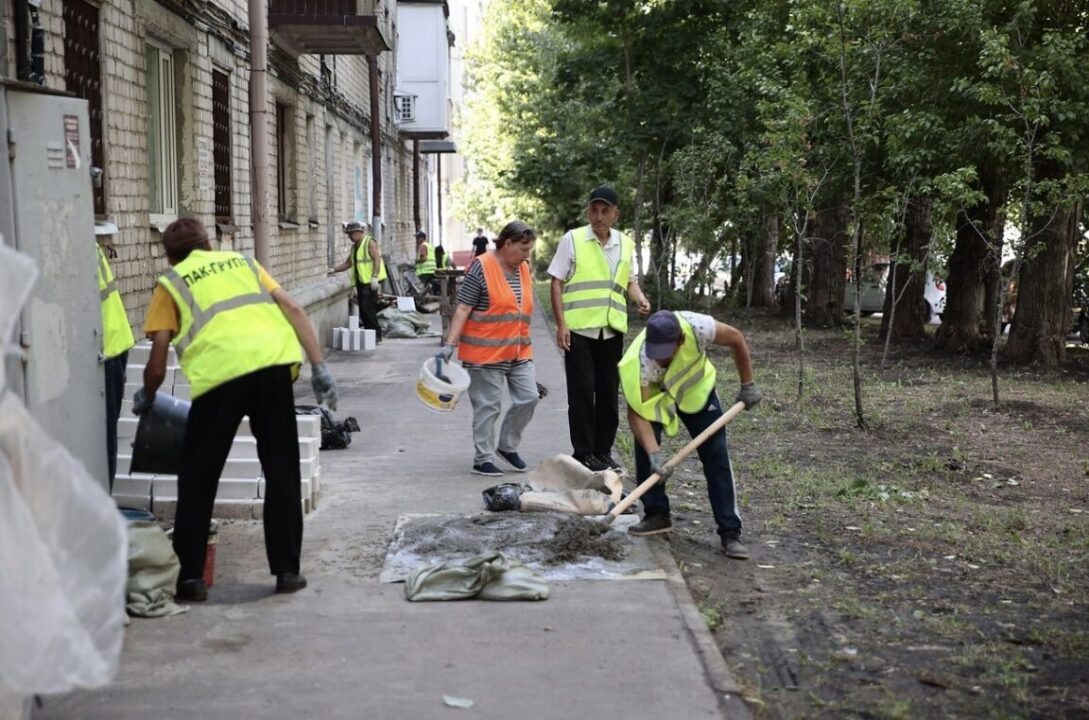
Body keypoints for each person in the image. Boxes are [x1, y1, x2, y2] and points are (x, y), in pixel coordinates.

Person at [134, 218, 338, 602]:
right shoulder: (243, 263)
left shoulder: (172, 282)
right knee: (281, 470)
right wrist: (319, 365)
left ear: (170, 256)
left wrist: (148, 394)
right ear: (208, 244)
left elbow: (158, 360)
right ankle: (287, 571)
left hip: (221, 378)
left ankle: (190, 580)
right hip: (272, 369)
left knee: (198, 477)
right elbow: (293, 307)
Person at [619, 309, 762, 559]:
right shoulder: (640, 361)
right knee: (645, 447)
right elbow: (636, 414)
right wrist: (654, 454)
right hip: (657, 399)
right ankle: (656, 514)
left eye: (665, 353)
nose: (658, 359)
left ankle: (730, 531)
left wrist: (747, 384)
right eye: (656, 352)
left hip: (696, 391)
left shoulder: (698, 328)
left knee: (716, 454)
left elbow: (736, 338)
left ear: (680, 341)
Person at [547, 185, 650, 473]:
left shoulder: (625, 244)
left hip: (612, 330)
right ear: (588, 212)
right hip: (579, 331)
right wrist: (561, 324)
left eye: (605, 211)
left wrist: (640, 298)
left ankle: (603, 451)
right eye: (594, 210)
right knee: (581, 394)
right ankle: (583, 453)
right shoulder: (573, 240)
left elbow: (628, 281)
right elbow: (556, 281)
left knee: (607, 393)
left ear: (616, 214)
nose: (599, 216)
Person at [440, 221, 539, 476]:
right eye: (523, 249)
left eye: (529, 250)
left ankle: (507, 446)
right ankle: (482, 458)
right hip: (484, 354)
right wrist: (449, 344)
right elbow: (463, 307)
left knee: (529, 397)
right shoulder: (481, 267)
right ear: (507, 244)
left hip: (518, 350)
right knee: (488, 406)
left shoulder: (523, 268)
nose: (526, 255)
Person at [97, 239, 135, 490]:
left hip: (107, 348)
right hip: (110, 343)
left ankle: (102, 499)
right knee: (103, 433)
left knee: (101, 435)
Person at [329, 221, 385, 343]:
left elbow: (377, 259)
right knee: (363, 309)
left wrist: (374, 277)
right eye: (348, 234)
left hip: (370, 281)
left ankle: (376, 333)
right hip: (361, 281)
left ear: (359, 232)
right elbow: (348, 263)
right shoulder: (355, 247)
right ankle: (370, 333)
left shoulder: (369, 242)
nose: (349, 236)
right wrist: (333, 270)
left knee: (367, 307)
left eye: (351, 234)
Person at [415, 230, 437, 294]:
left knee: (423, 288)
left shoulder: (423, 246)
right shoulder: (430, 245)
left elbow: (424, 258)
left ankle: (426, 297)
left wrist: (416, 261)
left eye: (418, 238)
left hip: (425, 271)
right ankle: (431, 296)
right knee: (429, 287)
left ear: (422, 238)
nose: (416, 240)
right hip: (432, 270)